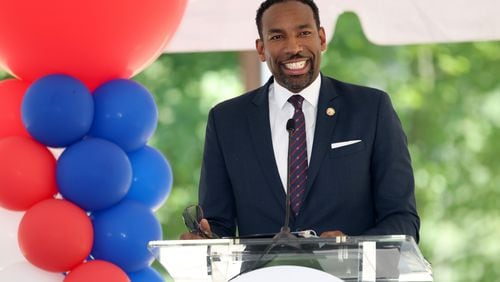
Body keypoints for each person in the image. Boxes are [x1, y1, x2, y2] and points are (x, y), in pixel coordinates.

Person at [181, 0, 420, 242]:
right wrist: (204, 240)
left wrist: (349, 246)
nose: (293, 47)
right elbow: (217, 224)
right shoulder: (226, 121)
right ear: (261, 49)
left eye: (304, 33)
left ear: (322, 38)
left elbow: (402, 220)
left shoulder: (371, 108)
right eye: (277, 37)